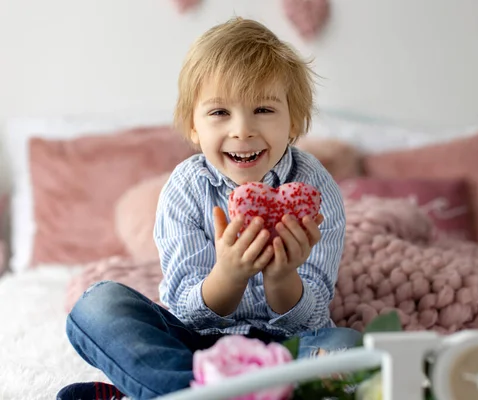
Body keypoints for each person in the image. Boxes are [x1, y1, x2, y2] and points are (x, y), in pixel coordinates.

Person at [57, 17, 360, 400]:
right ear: (193, 127)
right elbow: (187, 309)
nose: (242, 130)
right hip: (197, 348)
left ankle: (167, 394)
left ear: (294, 121)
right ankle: (197, 390)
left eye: (264, 110)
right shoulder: (185, 188)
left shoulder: (314, 188)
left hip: (289, 350)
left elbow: (312, 316)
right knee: (97, 305)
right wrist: (229, 274)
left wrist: (282, 275)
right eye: (220, 113)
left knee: (347, 347)